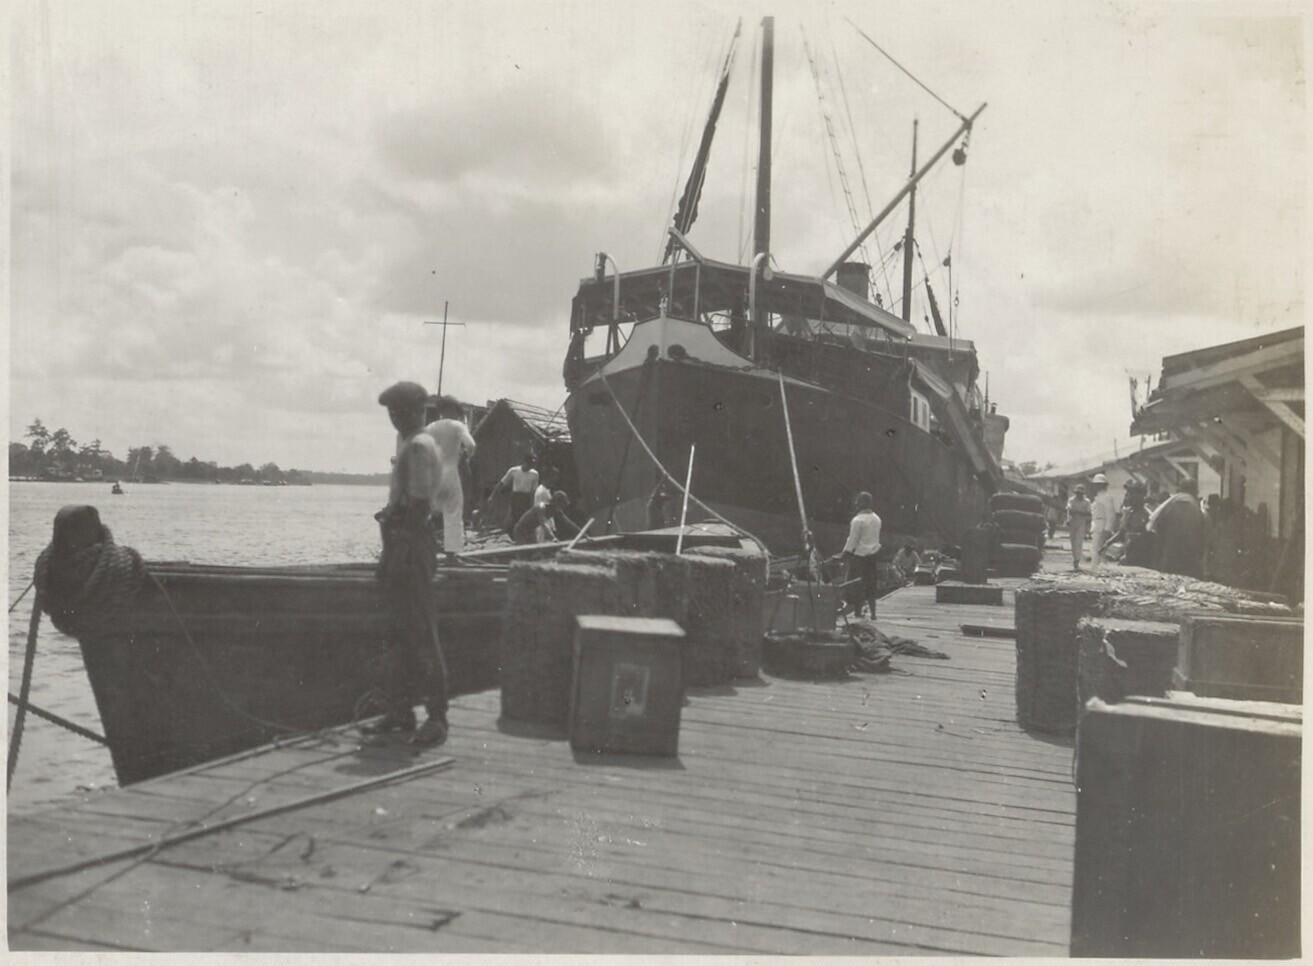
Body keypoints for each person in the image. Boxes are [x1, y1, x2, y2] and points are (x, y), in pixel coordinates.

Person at [366, 381, 450, 747]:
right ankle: (400, 711)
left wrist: (396, 554)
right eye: (392, 412)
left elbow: (418, 508)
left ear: (418, 410)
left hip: (410, 547)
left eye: (401, 410)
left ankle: (437, 717)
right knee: (399, 633)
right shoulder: (414, 444)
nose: (396, 417)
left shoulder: (417, 447)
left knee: (421, 633)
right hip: (403, 545)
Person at [422, 395, 476, 556]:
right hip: (451, 471)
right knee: (453, 513)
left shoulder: (429, 427)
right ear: (452, 409)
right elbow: (471, 445)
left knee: (431, 511)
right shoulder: (457, 425)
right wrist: (466, 456)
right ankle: (451, 555)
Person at [1147, 477, 1206, 578]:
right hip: (1190, 561)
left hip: (1169, 560)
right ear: (1195, 491)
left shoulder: (1167, 507)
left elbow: (1157, 533)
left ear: (1179, 490)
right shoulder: (1198, 511)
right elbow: (1204, 539)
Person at [842, 492, 882, 619]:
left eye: (857, 502)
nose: (856, 504)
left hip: (859, 558)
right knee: (871, 586)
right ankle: (873, 614)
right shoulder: (877, 519)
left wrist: (845, 554)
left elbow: (852, 540)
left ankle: (858, 612)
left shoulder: (857, 520)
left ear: (861, 503)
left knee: (856, 586)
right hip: (873, 557)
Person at [494, 453, 539, 534]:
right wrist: (492, 496)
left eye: (532, 464)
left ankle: (522, 535)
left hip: (526, 498)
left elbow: (534, 491)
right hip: (516, 497)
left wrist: (534, 503)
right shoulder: (514, 471)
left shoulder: (534, 474)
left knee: (524, 519)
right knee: (513, 518)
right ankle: (512, 535)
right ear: (524, 461)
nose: (530, 466)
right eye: (529, 463)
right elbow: (502, 483)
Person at [1089, 474, 1119, 567]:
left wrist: (1107, 530)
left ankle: (1097, 569)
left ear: (1103, 485)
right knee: (1096, 550)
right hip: (1097, 526)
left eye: (1098, 484)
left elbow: (1111, 515)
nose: (1096, 486)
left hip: (1102, 527)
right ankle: (1097, 568)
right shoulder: (1099, 496)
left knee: (1098, 551)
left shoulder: (1106, 497)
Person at [1065, 484, 1092, 571]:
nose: (1079, 495)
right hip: (1073, 522)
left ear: (1083, 493)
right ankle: (1075, 558)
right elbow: (1068, 510)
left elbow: (1089, 512)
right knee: (1073, 542)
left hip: (1081, 523)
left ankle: (1077, 560)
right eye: (1077, 493)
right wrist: (1068, 519)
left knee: (1079, 542)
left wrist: (1078, 512)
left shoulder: (1087, 502)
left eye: (1080, 493)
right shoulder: (1071, 500)